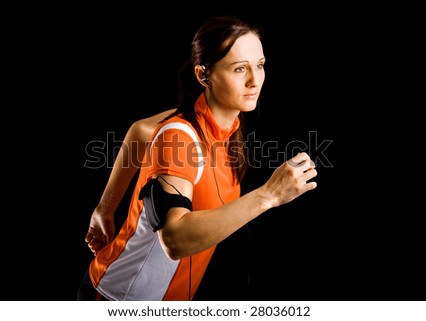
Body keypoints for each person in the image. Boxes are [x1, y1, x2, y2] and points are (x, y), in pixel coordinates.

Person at [78, 15, 317, 301]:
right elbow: (174, 240)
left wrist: (104, 210)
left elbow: (140, 131)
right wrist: (269, 196)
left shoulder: (224, 129)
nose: (255, 80)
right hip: (120, 298)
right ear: (204, 75)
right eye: (240, 69)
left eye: (260, 65)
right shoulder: (180, 136)